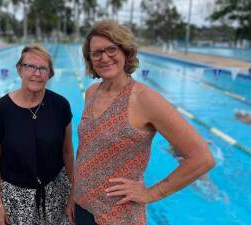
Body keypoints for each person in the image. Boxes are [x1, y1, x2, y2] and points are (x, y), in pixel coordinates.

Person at [74, 20, 215, 225]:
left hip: (117, 216)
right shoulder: (92, 93)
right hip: (81, 206)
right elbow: (87, 149)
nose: (104, 57)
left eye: (111, 49)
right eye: (96, 53)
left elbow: (202, 158)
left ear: (125, 52)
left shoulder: (145, 99)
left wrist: (152, 193)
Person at [0, 45, 75, 225]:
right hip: (16, 198)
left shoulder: (60, 106)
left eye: (43, 68)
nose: (36, 73)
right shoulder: (0, 110)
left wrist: (73, 193)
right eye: (30, 66)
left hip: (56, 193)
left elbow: (67, 151)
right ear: (19, 69)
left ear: (50, 74)